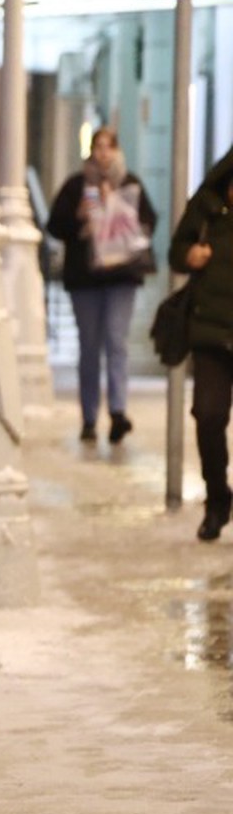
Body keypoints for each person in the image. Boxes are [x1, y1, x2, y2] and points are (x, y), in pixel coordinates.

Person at [44, 127, 159, 444]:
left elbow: (148, 221)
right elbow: (55, 225)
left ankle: (118, 411)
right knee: (90, 348)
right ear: (91, 150)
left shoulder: (129, 183)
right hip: (85, 278)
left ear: (117, 150)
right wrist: (79, 216)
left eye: (109, 146)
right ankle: (89, 416)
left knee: (116, 340)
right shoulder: (77, 186)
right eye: (99, 146)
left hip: (121, 275)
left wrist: (120, 209)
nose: (104, 152)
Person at [170, 147, 233, 541]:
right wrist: (190, 255)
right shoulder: (207, 209)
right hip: (210, 332)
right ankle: (217, 498)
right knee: (209, 416)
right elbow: (175, 252)